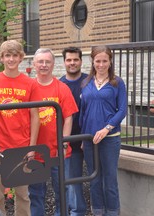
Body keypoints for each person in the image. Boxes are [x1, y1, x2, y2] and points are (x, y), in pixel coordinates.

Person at [0, 40, 41, 216]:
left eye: (15, 55)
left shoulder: (30, 84)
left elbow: (35, 116)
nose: (11, 59)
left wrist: (32, 147)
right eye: (7, 55)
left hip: (21, 146)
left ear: (21, 58)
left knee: (23, 195)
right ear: (1, 58)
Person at [28, 48, 78, 216]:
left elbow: (69, 118)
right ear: (34, 64)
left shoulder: (61, 88)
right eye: (40, 62)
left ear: (53, 64)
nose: (44, 65)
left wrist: (64, 145)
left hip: (58, 152)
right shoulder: (29, 87)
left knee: (62, 193)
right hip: (35, 153)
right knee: (35, 194)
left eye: (47, 62)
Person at [79, 45, 127, 216]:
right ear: (92, 61)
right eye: (97, 61)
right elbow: (83, 113)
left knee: (110, 180)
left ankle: (113, 212)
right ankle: (98, 212)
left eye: (104, 61)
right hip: (90, 140)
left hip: (109, 139)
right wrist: (84, 139)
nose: (101, 64)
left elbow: (122, 110)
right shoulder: (86, 83)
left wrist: (106, 129)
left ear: (110, 61)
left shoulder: (117, 83)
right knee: (94, 179)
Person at [60, 47, 88, 216]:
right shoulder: (60, 84)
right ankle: (77, 212)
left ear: (81, 61)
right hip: (69, 141)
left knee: (96, 177)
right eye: (69, 60)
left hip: (90, 138)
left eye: (75, 59)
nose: (72, 63)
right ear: (64, 62)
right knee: (73, 180)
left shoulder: (90, 81)